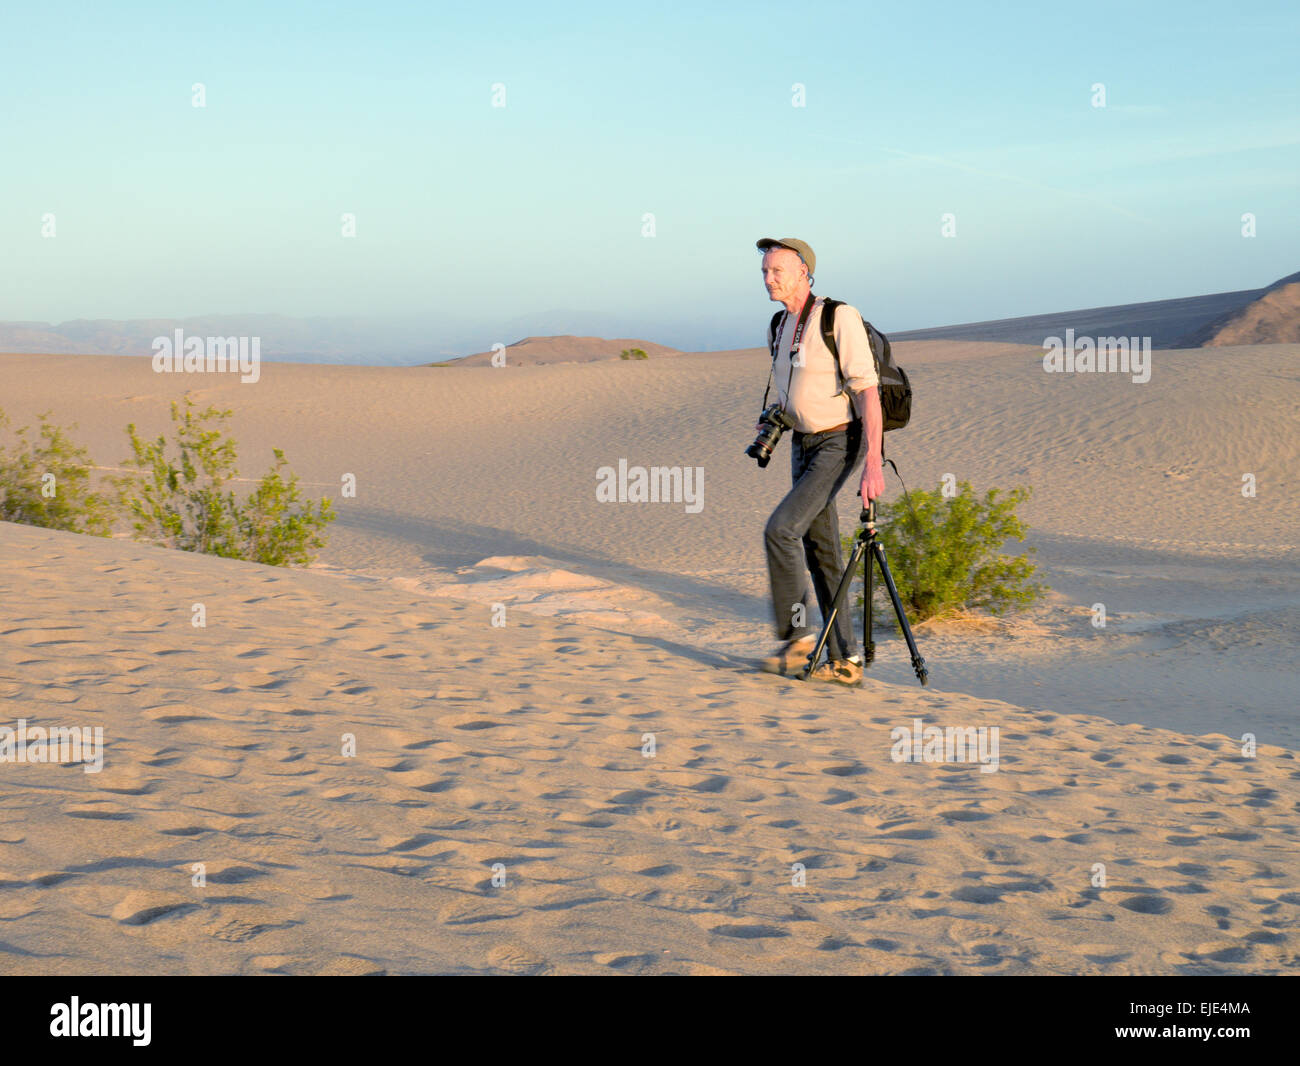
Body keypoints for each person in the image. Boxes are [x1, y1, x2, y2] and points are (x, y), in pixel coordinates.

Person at [755, 237, 885, 685]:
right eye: (765, 272)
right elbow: (795, 388)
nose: (769, 279)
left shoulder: (836, 317)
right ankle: (846, 660)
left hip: (838, 443)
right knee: (821, 551)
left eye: (777, 271)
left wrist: (872, 462)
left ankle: (798, 642)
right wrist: (775, 420)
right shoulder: (778, 324)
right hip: (801, 443)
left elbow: (868, 391)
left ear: (804, 273)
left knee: (781, 529)